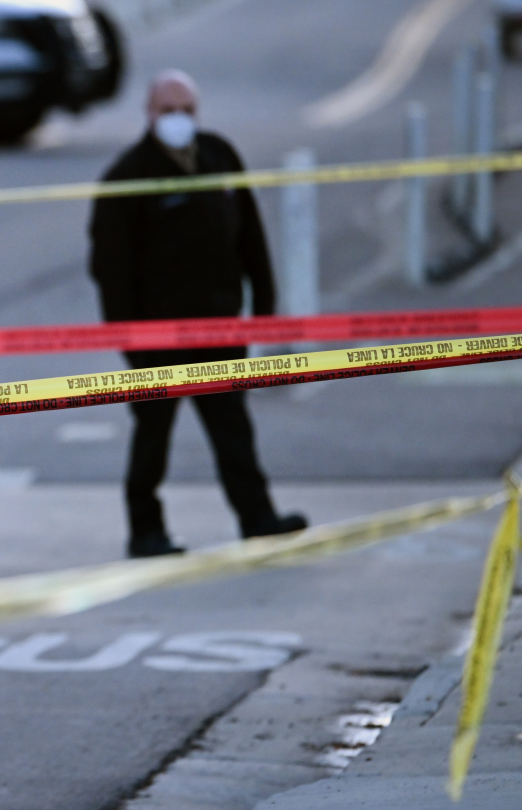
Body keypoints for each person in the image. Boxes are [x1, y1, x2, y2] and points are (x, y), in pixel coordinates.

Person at [88, 69, 306, 558]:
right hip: (157, 338)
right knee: (153, 435)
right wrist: (130, 339)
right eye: (169, 111)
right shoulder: (127, 177)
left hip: (219, 326)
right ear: (149, 114)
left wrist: (264, 307)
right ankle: (145, 530)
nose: (179, 120)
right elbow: (111, 270)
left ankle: (258, 518)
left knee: (234, 430)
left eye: (187, 111)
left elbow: (250, 234)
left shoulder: (219, 155)